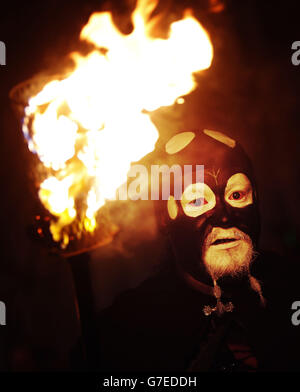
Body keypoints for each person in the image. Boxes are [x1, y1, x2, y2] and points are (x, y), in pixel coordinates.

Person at [98, 129, 300, 372]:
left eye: (236, 195)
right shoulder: (130, 326)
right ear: (165, 217)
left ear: (256, 200)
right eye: (196, 201)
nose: (224, 217)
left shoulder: (292, 286)